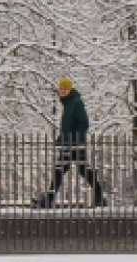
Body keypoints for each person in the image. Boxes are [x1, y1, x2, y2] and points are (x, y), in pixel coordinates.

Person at [39, 77, 106, 208]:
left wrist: (74, 139)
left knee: (69, 169)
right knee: (79, 170)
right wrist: (62, 138)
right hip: (69, 143)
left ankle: (49, 200)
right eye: (61, 88)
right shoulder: (68, 103)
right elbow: (69, 125)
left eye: (65, 88)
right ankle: (100, 197)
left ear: (70, 89)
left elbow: (84, 123)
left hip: (74, 144)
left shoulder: (76, 102)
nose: (62, 91)